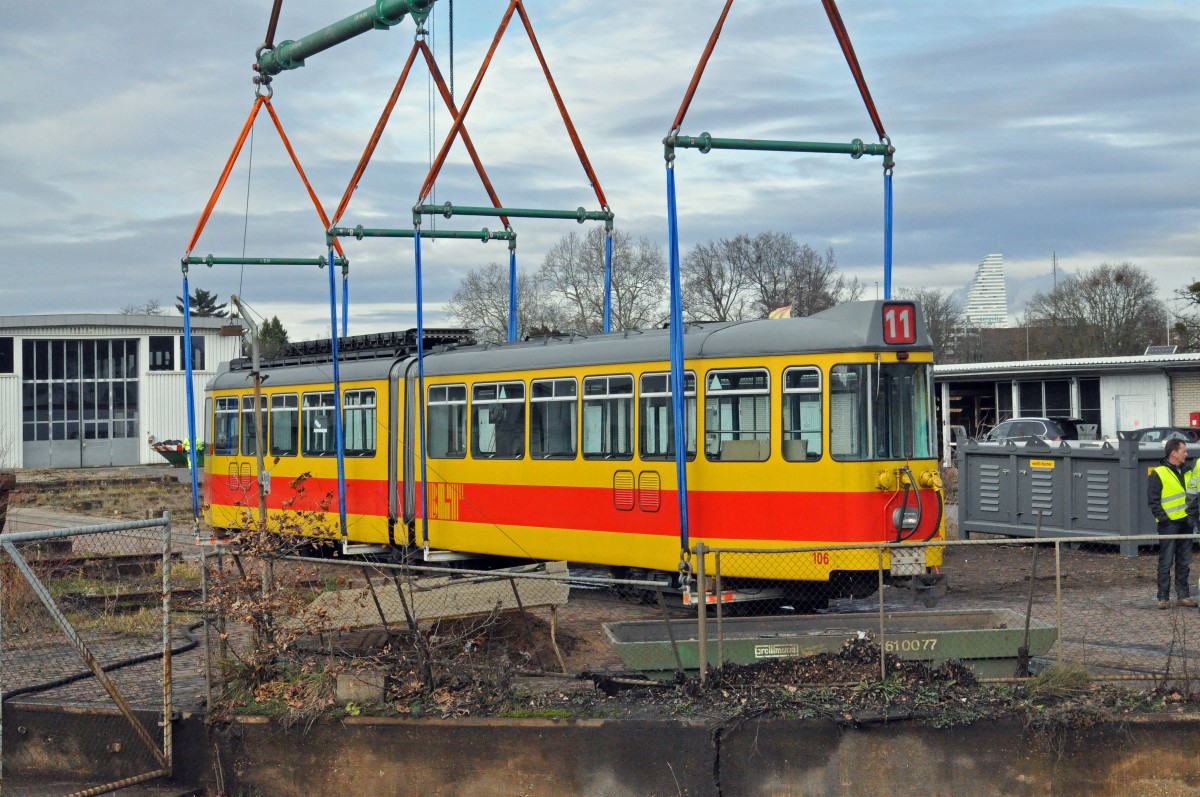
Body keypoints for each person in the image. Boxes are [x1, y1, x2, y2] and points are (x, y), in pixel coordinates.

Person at [1149, 438, 1196, 609]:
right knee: (1166, 561)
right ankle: (1163, 597)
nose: (1186, 454)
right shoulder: (1159, 473)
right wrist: (1164, 518)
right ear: (1173, 453)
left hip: (1186, 522)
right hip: (1169, 524)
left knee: (1184, 561)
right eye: (1184, 450)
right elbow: (1153, 500)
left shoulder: (1189, 471)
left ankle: (1183, 595)